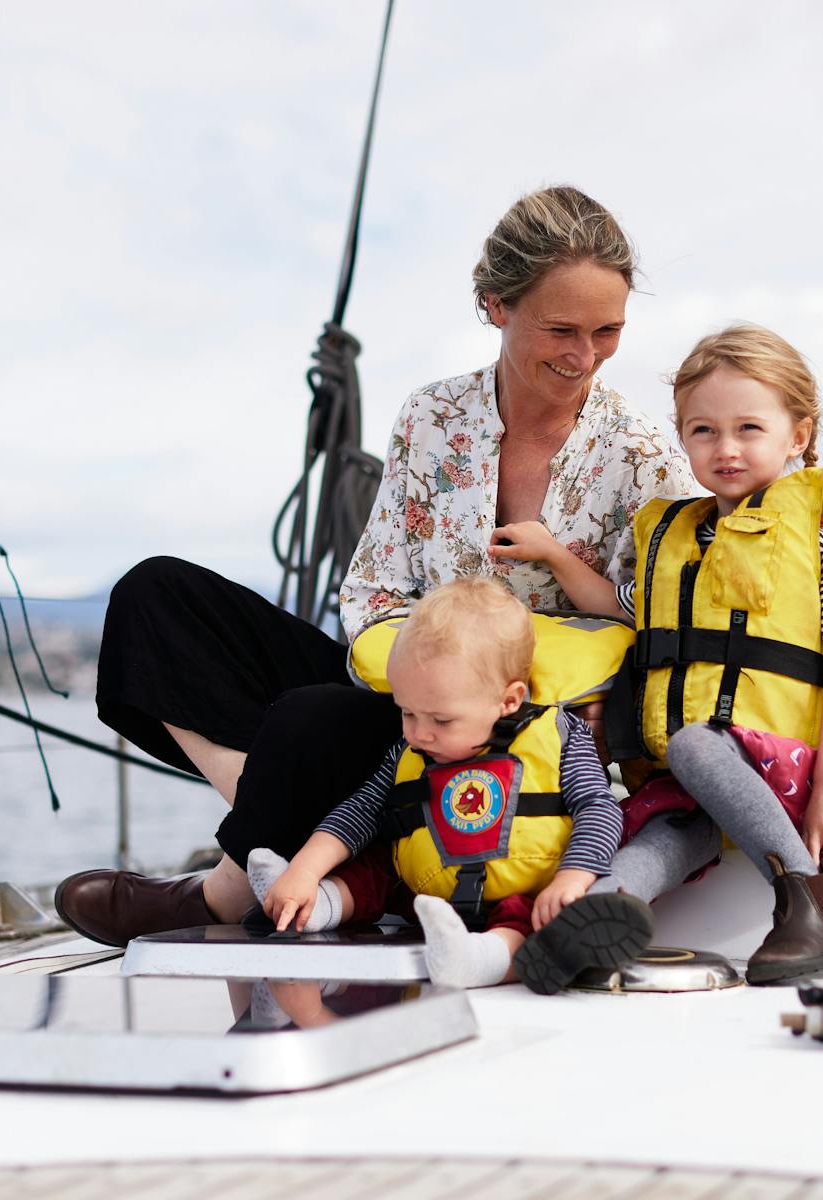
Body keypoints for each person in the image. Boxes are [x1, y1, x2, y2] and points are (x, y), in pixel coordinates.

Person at [54, 185, 695, 947]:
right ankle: (272, 828)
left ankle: (225, 892)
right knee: (154, 598)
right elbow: (373, 589)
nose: (582, 356)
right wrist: (426, 680)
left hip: (526, 747)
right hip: (402, 708)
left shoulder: (640, 452)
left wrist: (580, 703)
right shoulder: (432, 416)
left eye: (607, 331)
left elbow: (670, 613)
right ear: (495, 305)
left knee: (308, 721)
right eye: (560, 328)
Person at [491, 323, 823, 985]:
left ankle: (812, 907)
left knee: (695, 744)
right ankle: (592, 922)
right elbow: (616, 604)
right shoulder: (678, 547)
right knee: (664, 833)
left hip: (783, 765)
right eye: (703, 431)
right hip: (697, 777)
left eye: (748, 429)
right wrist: (556, 554)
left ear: (799, 435)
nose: (724, 448)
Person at [245, 579, 651, 993]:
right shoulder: (412, 748)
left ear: (508, 700)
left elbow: (598, 808)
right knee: (374, 867)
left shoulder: (562, 737)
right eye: (407, 713)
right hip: (423, 890)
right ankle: (312, 905)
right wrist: (305, 868)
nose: (420, 734)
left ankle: (482, 960)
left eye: (441, 721)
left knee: (529, 917)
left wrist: (573, 877)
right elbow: (360, 811)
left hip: (520, 888)